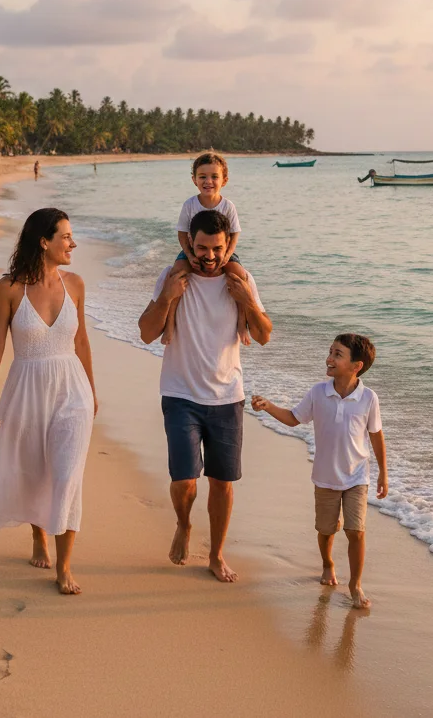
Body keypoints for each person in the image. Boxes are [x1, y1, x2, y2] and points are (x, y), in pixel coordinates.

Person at [0, 208, 98, 595]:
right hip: (26, 387)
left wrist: (92, 391)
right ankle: (39, 535)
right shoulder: (9, 288)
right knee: (37, 470)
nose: (73, 243)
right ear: (44, 241)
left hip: (72, 389)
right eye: (66, 237)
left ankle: (65, 567)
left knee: (67, 474)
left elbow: (82, 342)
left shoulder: (75, 284)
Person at [138, 209, 272, 582]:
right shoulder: (172, 276)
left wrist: (246, 300)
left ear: (229, 244)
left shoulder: (241, 281)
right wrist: (166, 297)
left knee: (222, 483)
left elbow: (263, 335)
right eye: (201, 248)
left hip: (227, 397)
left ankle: (215, 555)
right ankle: (183, 524)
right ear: (189, 243)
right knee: (183, 481)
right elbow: (147, 332)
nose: (209, 257)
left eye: (216, 248)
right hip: (180, 392)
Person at [251, 334, 388, 609]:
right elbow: (293, 418)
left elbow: (376, 435)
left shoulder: (368, 398)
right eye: (330, 352)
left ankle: (355, 584)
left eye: (338, 354)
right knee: (326, 530)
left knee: (356, 530)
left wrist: (383, 473)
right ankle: (327, 563)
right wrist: (269, 406)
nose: (330, 358)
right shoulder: (318, 392)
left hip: (357, 476)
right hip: (325, 474)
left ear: (356, 366)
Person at [161, 152, 250, 346]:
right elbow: (183, 234)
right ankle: (169, 324)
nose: (208, 181)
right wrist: (190, 255)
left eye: (214, 177)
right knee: (176, 275)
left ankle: (242, 323)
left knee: (240, 277)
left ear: (224, 180)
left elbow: (234, 234)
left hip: (222, 253)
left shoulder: (228, 206)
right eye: (202, 177)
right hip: (192, 250)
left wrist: (227, 255)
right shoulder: (190, 205)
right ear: (194, 180)